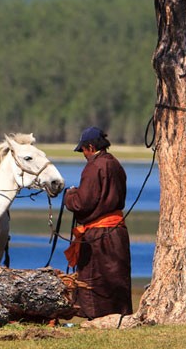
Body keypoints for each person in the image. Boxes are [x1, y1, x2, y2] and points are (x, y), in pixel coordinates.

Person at [63, 126, 132, 319]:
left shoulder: (94, 167)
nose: (83, 154)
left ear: (91, 147)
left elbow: (83, 202)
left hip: (99, 235)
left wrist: (70, 195)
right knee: (116, 277)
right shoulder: (115, 164)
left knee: (94, 278)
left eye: (83, 150)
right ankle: (120, 315)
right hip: (117, 232)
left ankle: (96, 318)